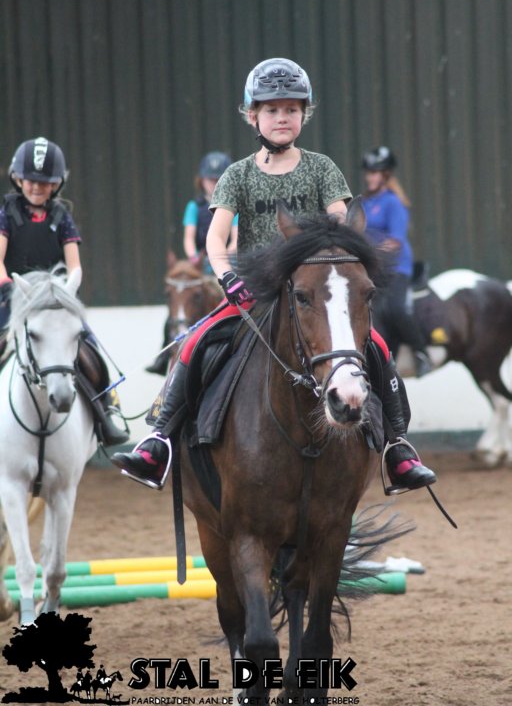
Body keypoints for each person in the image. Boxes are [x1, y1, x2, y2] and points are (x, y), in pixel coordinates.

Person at [113, 57, 436, 493]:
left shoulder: (322, 168)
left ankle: (397, 447)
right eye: (272, 109)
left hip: (313, 295)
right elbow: (216, 238)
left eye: (291, 109)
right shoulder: (237, 175)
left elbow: (340, 223)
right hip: (255, 295)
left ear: (304, 114)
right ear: (253, 116)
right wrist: (227, 278)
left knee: (376, 347)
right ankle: (158, 441)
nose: (282, 117)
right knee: (195, 342)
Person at [0, 136, 129, 446]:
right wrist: (9, 287)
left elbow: (74, 266)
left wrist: (67, 290)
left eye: (45, 182)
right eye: (31, 180)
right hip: (15, 299)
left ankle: (107, 411)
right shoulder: (6, 214)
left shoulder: (62, 217)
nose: (37, 187)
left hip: (56, 301)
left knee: (91, 350)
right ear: (18, 179)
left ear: (56, 184)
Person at [146, 151, 237, 376]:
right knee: (179, 304)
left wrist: (222, 255)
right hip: (200, 265)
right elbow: (189, 237)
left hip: (227, 263)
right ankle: (164, 354)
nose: (213, 184)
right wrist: (194, 257)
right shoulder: (194, 207)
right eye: (210, 179)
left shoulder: (234, 205)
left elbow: (236, 238)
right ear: (201, 180)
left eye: (218, 179)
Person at [360, 146, 432, 378]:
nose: (370, 177)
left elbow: (396, 241)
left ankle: (421, 353)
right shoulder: (364, 203)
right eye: (369, 172)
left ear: (386, 175)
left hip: (396, 266)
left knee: (396, 309)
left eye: (375, 173)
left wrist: (369, 253)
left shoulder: (393, 202)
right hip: (373, 268)